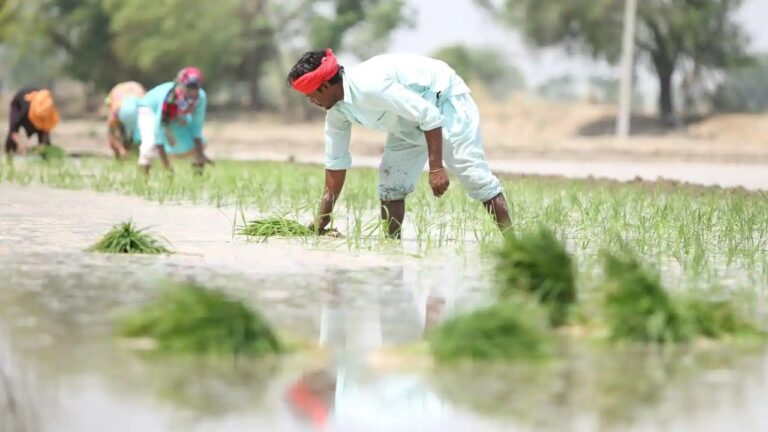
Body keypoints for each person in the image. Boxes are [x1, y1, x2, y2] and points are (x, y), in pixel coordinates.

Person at [287, 50, 511, 239]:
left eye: (310, 95)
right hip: (407, 121)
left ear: (325, 86)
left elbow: (429, 115)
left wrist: (435, 168)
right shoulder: (337, 111)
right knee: (390, 185)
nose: (311, 102)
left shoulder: (369, 85)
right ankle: (392, 248)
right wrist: (321, 222)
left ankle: (513, 243)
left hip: (443, 100)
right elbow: (336, 164)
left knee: (473, 175)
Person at [136, 67, 213, 173]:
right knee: (150, 143)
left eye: (196, 87)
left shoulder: (201, 98)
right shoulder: (169, 99)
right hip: (150, 110)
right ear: (181, 85)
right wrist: (167, 167)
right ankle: (144, 178)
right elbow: (159, 133)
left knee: (200, 143)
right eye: (189, 87)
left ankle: (198, 177)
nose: (193, 91)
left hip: (175, 114)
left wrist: (200, 154)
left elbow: (196, 127)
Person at [5, 88, 60, 159]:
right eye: (40, 117)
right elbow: (14, 130)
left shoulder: (49, 110)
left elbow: (46, 130)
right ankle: (9, 157)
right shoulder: (25, 111)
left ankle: (47, 159)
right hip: (18, 105)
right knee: (11, 135)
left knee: (44, 140)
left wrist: (43, 144)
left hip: (34, 113)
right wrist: (21, 144)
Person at [105, 81, 146, 159]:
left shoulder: (142, 105)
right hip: (120, 103)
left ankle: (135, 155)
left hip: (136, 104)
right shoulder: (115, 110)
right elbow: (111, 135)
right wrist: (120, 149)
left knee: (140, 138)